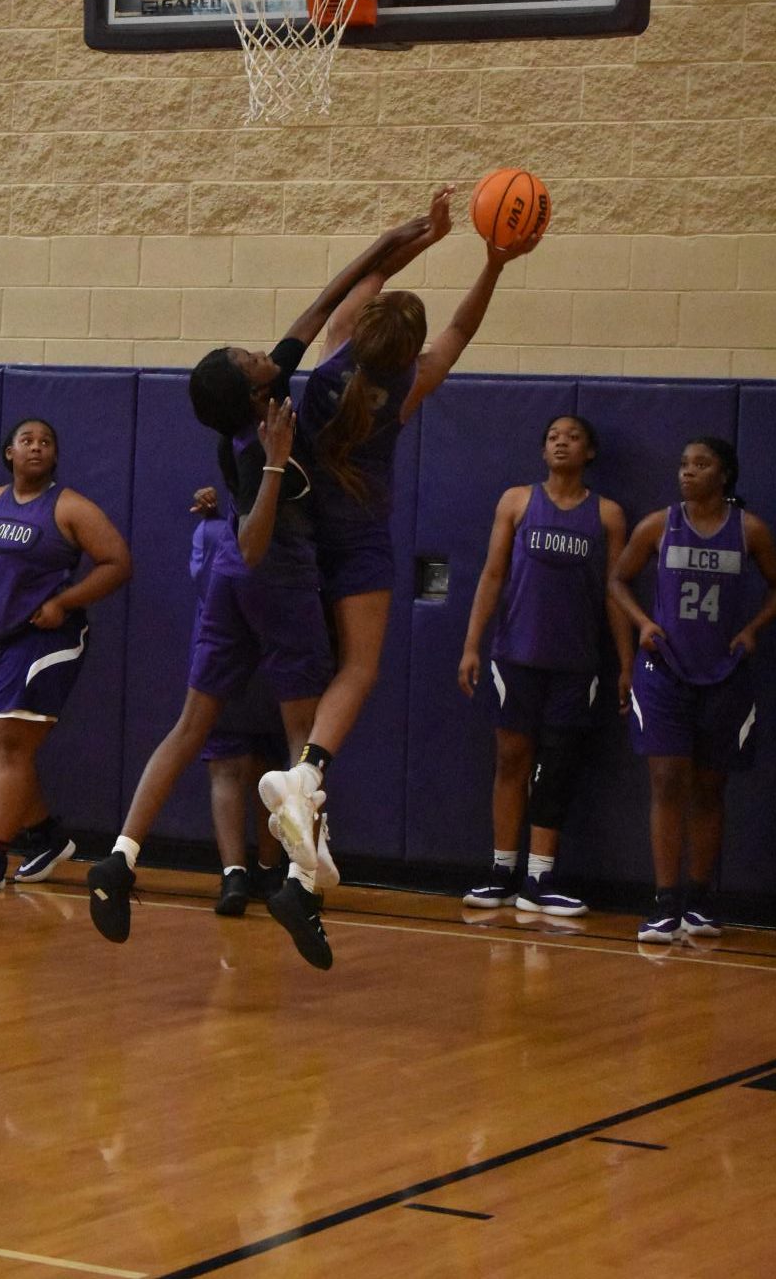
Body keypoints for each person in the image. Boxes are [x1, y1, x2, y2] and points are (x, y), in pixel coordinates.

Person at [88, 197, 452, 968]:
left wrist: (390, 243)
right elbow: (257, 543)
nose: (260, 350)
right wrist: (282, 460)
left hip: (228, 575)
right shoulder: (265, 437)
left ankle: (119, 856)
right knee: (303, 744)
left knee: (193, 725)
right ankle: (301, 886)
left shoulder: (271, 385)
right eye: (248, 357)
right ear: (254, 395)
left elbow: (327, 304)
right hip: (271, 576)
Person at [256, 217, 537, 886]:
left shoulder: (333, 353)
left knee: (303, 684)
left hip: (299, 536)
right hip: (359, 537)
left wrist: (426, 236)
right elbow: (461, 332)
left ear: (365, 325)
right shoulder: (411, 385)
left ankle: (303, 834)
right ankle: (306, 776)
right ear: (410, 351)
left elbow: (364, 274)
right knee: (356, 670)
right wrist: (495, 262)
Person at [608, 437, 776, 944]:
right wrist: (643, 622)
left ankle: (700, 902)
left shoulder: (748, 531)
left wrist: (754, 628)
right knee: (666, 781)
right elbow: (617, 580)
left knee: (710, 789)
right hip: (664, 670)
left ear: (724, 474)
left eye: (701, 464)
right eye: (684, 463)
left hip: (724, 673)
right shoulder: (658, 524)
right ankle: (665, 904)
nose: (688, 472)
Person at [457, 416, 631, 916]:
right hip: (515, 656)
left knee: (557, 769)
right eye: (554, 436)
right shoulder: (516, 501)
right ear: (542, 449)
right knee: (511, 760)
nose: (561, 442)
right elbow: (492, 574)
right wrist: (472, 645)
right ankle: (501, 873)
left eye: (572, 436)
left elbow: (613, 594)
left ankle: (540, 878)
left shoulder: (608, 516)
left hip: (576, 664)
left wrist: (625, 663)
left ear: (590, 452)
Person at [0, 418, 131, 894]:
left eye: (45, 442)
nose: (36, 447)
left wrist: (64, 602)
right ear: (9, 452)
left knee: (10, 746)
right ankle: (47, 836)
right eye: (26, 440)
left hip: (38, 639)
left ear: (54, 455)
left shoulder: (69, 507)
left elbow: (118, 562)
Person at [189, 487, 288, 915]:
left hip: (235, 660)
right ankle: (260, 872)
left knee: (244, 769)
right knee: (273, 771)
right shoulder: (297, 539)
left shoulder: (214, 533)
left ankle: (241, 874)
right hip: (271, 659)